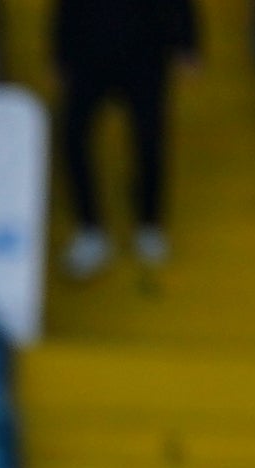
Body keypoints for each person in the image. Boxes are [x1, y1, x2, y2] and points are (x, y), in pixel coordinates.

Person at [55, 0, 199, 278]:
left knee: (149, 140)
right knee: (72, 137)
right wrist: (61, 51)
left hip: (145, 50)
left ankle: (149, 222)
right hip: (89, 51)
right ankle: (89, 228)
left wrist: (187, 41)